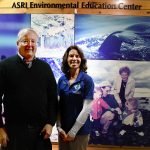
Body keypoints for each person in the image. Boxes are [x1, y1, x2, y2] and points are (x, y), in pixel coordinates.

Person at [0, 28, 58, 150]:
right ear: (17, 44)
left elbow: (53, 99)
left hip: (41, 133)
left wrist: (50, 123)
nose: (29, 45)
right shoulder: (4, 66)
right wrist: (0, 128)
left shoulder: (45, 68)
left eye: (33, 41)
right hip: (13, 134)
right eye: (25, 41)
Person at [57, 45, 94, 150]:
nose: (74, 58)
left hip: (80, 132)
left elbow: (87, 108)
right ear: (66, 59)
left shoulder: (87, 80)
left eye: (77, 56)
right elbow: (58, 105)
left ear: (81, 59)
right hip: (63, 131)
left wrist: (73, 132)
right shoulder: (61, 80)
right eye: (71, 56)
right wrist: (59, 127)